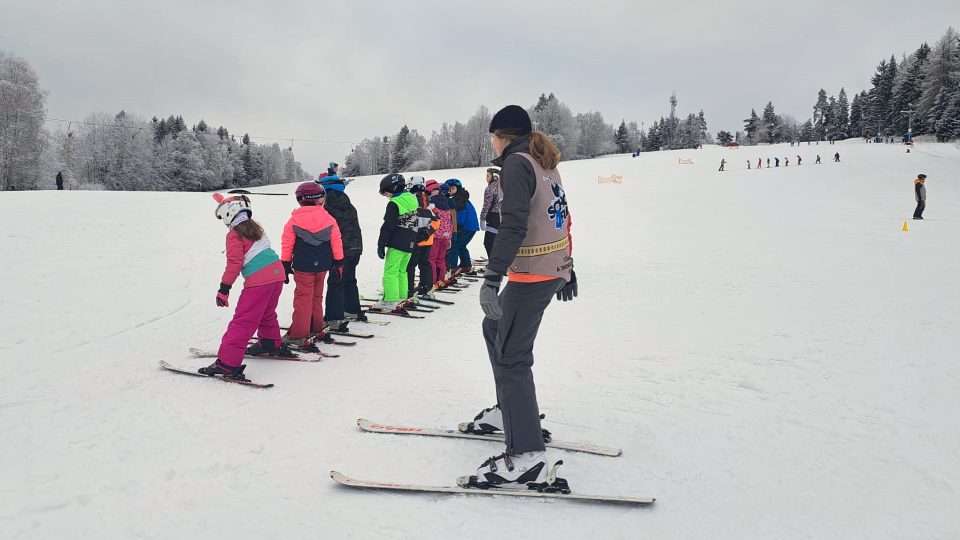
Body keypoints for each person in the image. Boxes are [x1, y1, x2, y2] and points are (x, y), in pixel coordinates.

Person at [461, 105, 577, 491]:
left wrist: (491, 278)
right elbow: (559, 214)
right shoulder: (543, 161)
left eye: (491, 136)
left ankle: (527, 457)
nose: (491, 142)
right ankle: (505, 412)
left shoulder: (516, 163)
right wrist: (568, 266)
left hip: (533, 273)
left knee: (511, 356)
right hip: (548, 268)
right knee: (493, 326)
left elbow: (514, 223)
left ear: (501, 135)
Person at [202, 194, 288, 379]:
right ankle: (270, 343)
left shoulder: (234, 235)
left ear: (227, 216)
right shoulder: (257, 228)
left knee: (244, 320)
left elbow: (234, 263)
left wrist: (224, 289)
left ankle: (227, 364)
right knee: (266, 313)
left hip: (260, 281)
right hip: (277, 274)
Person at [280, 183, 344, 347]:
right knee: (317, 296)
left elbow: (287, 244)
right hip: (323, 265)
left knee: (303, 299)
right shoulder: (329, 219)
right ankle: (316, 327)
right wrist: (339, 263)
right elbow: (337, 242)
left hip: (303, 266)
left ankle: (299, 334)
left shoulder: (293, 221)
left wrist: (285, 264)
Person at [319, 173, 365, 326]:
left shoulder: (328, 207)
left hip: (340, 251)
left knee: (335, 282)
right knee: (350, 280)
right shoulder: (348, 204)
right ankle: (352, 309)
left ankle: (334, 317)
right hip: (355, 248)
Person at [375, 174, 418, 312]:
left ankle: (390, 300)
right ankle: (401, 296)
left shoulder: (394, 203)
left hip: (397, 242)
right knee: (402, 271)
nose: (387, 195)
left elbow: (388, 225)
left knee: (390, 271)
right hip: (411, 241)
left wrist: (381, 244)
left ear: (393, 188)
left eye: (386, 192)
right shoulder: (412, 198)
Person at [406, 176, 439, 299]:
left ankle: (409, 289)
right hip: (427, 240)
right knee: (425, 264)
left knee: (410, 265)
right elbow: (437, 220)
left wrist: (420, 234)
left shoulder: (411, 200)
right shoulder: (430, 201)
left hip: (414, 239)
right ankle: (427, 288)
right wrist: (427, 233)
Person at [445, 179, 480, 275]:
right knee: (461, 246)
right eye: (449, 188)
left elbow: (461, 213)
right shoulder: (461, 197)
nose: (450, 190)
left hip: (465, 226)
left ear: (458, 188)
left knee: (454, 246)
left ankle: (453, 267)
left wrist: (458, 225)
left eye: (452, 188)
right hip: (471, 226)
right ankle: (466, 265)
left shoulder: (458, 199)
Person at [426, 179, 453, 284]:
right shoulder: (445, 200)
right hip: (446, 235)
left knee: (431, 259)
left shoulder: (431, 202)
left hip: (435, 235)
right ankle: (441, 279)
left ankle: (432, 281)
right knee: (441, 258)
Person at [480, 168, 502, 258]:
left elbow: (487, 205)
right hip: (502, 217)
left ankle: (493, 263)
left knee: (488, 242)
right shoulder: (504, 187)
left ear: (495, 177)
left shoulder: (490, 188)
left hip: (493, 217)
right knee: (498, 243)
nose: (486, 178)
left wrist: (482, 218)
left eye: (488, 176)